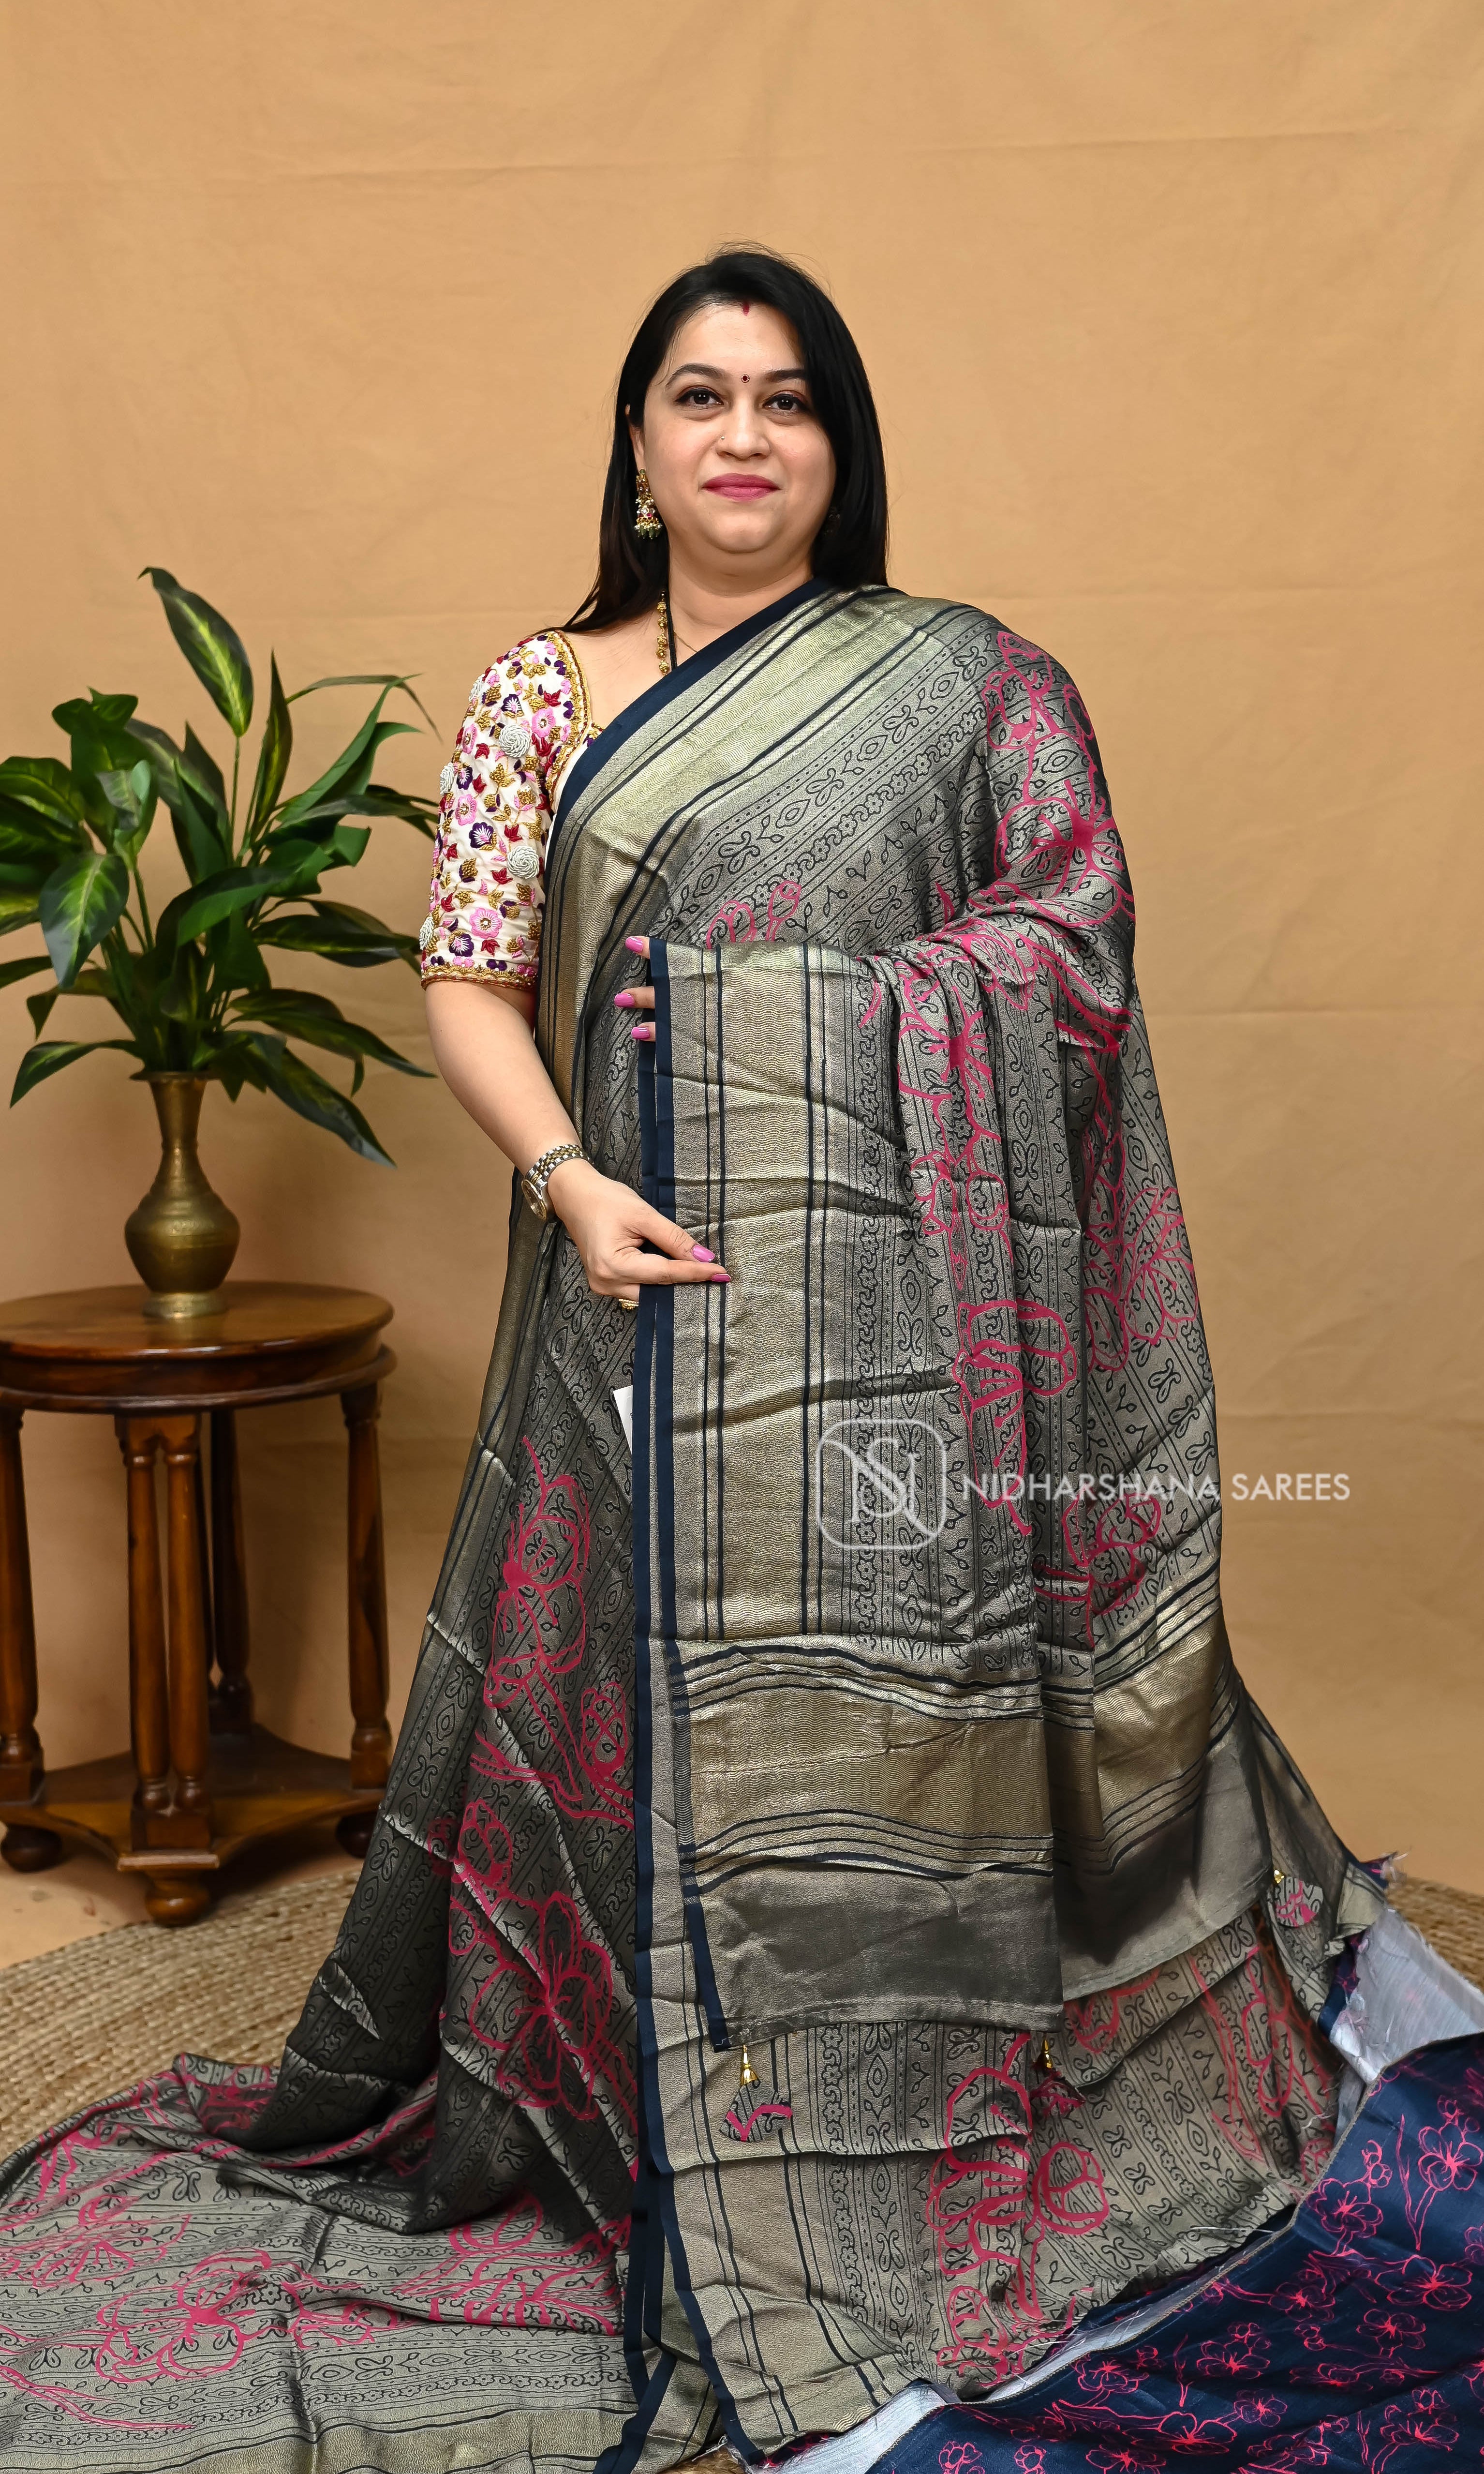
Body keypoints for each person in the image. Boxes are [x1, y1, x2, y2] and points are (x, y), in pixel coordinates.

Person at [2, 246, 1478, 2474]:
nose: (741, 437)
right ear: (634, 442)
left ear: (837, 444)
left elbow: (1069, 943)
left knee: (891, 1707)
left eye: (786, 400)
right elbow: (470, 969)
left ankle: (911, 2089)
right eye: (697, 396)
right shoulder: (539, 695)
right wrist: (567, 1180)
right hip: (628, 1283)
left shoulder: (968, 683)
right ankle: (633, 2095)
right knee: (633, 1701)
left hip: (903, 1330)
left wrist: (810, 1036)